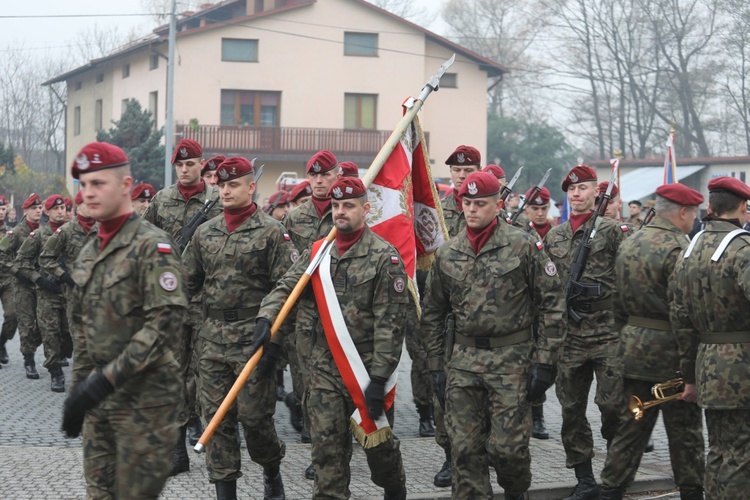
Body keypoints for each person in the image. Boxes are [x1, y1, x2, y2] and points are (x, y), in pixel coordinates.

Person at [256, 176, 410, 499]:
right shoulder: (317, 254)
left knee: (380, 457)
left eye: (349, 206)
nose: (341, 212)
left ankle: (395, 488)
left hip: (367, 373)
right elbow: (286, 286)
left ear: (365, 209)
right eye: (336, 206)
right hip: (323, 372)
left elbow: (390, 325)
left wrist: (380, 377)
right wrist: (266, 317)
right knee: (327, 460)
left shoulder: (385, 257)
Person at [422, 171, 565, 499]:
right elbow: (431, 314)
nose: (471, 209)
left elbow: (552, 305)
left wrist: (545, 363)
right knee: (465, 453)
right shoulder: (448, 252)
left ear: (498, 205)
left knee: (507, 452)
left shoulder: (523, 246)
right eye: (467, 202)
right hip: (463, 364)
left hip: (511, 363)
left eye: (480, 203)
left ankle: (517, 492)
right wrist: (435, 367)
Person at [61, 141, 188, 498]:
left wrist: (104, 381)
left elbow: (166, 322)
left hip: (146, 397)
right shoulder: (90, 251)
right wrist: (78, 394)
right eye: (83, 185)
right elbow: (83, 331)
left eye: (98, 183)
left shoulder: (152, 245)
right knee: (99, 493)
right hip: (99, 401)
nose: (88, 193)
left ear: (125, 185)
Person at [183, 156, 292, 500]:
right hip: (212, 339)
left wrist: (272, 335)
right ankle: (225, 492)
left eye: (233, 185)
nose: (226, 191)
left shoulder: (272, 232)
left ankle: (271, 469)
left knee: (255, 419)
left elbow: (286, 286)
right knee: (216, 420)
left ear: (250, 186)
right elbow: (185, 281)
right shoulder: (205, 232)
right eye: (222, 185)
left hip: (253, 339)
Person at [600, 183, 705, 500]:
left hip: (632, 351)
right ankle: (691, 492)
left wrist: (625, 342)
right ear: (683, 213)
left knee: (629, 431)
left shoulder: (631, 242)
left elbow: (615, 304)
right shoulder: (679, 249)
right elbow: (684, 316)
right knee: (685, 436)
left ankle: (609, 491)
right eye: (693, 214)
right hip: (671, 356)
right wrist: (691, 374)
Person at [544, 165, 630, 500]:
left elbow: (629, 275)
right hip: (569, 335)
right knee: (570, 409)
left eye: (583, 188)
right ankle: (584, 479)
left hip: (607, 332)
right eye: (571, 189)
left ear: (597, 193)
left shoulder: (611, 231)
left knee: (611, 405)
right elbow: (548, 284)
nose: (576, 194)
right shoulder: (555, 236)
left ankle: (616, 474)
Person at [143, 138, 222, 474]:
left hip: (209, 303)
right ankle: (177, 451)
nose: (185, 169)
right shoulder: (162, 200)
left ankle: (217, 447)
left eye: (191, 164)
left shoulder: (218, 201)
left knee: (206, 376)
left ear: (202, 164)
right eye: (180, 164)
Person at [671, 176, 750, 499]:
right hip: (742, 367)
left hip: (706, 363)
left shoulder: (690, 250)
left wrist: (689, 375)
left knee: (718, 449)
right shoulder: (742, 250)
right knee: (740, 454)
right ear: (743, 207)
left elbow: (680, 320)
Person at [282, 149, 340, 478]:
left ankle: (337, 448)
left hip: (344, 313)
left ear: (337, 175)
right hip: (307, 316)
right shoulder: (295, 218)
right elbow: (288, 268)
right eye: (314, 175)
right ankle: (321, 451)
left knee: (340, 385)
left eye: (325, 175)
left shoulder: (347, 210)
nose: (319, 181)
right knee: (308, 387)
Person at [15, 194, 71, 392]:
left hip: (70, 293)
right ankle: (55, 372)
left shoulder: (73, 232)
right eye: (55, 209)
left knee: (68, 335)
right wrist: (39, 279)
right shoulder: (38, 235)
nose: (60, 211)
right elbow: (20, 262)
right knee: (50, 334)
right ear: (48, 212)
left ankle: (60, 356)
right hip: (47, 293)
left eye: (62, 207)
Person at [39, 190, 99, 373]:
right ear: (78, 206)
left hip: (99, 292)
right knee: (78, 337)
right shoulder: (65, 231)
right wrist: (64, 276)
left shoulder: (103, 228)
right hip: (74, 293)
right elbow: (45, 258)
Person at [517, 186, 554, 440]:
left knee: (541, 362)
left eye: (544, 208)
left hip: (546, 309)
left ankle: (539, 418)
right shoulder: (519, 233)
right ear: (527, 208)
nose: (540, 213)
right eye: (535, 208)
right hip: (523, 308)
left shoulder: (557, 233)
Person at [0, 193, 44, 379]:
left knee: (15, 316)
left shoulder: (44, 232)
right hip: (17, 279)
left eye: (40, 207)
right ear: (25, 211)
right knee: (24, 320)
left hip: (19, 281)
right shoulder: (16, 232)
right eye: (34, 208)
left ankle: (2, 342)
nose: (38, 211)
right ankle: (29, 359)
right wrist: (16, 270)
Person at [441, 145, 481, 237]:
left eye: (468, 170)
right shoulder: (438, 209)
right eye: (457, 170)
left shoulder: (491, 210)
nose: (462, 175)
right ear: (450, 170)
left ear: (479, 170)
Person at [0, 195, 18, 366]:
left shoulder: (11, 233)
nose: (0, 212)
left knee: (13, 315)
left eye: (3, 209)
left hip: (7, 279)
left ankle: (2, 342)